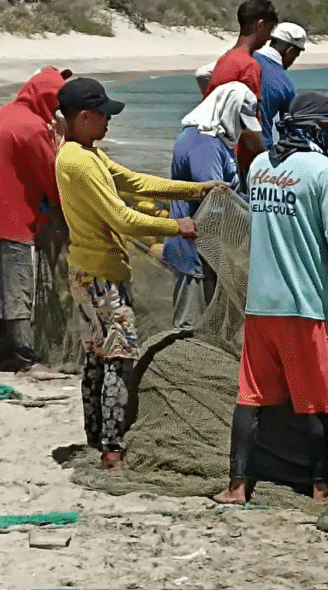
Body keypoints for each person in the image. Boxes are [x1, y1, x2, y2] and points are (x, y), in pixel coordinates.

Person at [54, 77, 224, 470]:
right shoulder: (78, 162)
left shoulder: (84, 153)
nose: (109, 122)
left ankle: (95, 435)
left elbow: (135, 182)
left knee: (96, 356)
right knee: (119, 357)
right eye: (104, 116)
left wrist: (195, 190)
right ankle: (112, 449)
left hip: (86, 272)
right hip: (101, 279)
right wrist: (174, 228)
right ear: (83, 117)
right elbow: (121, 217)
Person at [215, 92, 328, 505]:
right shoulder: (325, 172)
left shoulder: (261, 167)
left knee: (251, 395)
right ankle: (321, 488)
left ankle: (238, 486)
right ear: (323, 131)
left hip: (259, 304)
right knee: (316, 399)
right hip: (304, 306)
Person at [0, 66, 72, 382]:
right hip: (11, 216)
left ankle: (7, 355)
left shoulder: (4, 114)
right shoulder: (34, 128)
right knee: (17, 288)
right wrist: (61, 144)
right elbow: (54, 181)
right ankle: (26, 360)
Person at [162, 81, 262, 329]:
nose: (242, 130)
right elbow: (214, 200)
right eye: (240, 122)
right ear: (228, 111)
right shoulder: (204, 144)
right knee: (190, 326)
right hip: (195, 247)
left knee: (207, 322)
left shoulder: (213, 139)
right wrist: (260, 205)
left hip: (206, 247)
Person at [196, 0, 278, 180]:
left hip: (212, 151)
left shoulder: (225, 59)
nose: (270, 37)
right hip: (236, 160)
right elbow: (248, 123)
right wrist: (265, 159)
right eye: (270, 30)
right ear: (260, 25)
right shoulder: (249, 65)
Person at [254, 22, 306, 149]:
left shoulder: (243, 58)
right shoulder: (285, 84)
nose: (293, 61)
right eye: (296, 55)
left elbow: (205, 73)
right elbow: (290, 131)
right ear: (290, 50)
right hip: (259, 150)